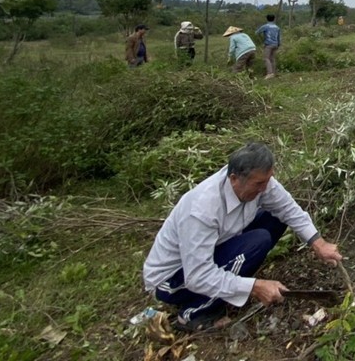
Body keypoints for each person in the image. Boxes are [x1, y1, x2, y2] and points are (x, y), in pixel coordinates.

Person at [142, 142, 342, 332]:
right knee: (258, 241)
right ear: (234, 179)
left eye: (268, 180)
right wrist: (254, 287)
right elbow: (197, 276)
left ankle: (231, 282)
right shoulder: (202, 210)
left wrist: (318, 243)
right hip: (173, 279)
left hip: (211, 252)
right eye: (259, 183)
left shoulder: (261, 183)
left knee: (276, 219)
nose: (265, 188)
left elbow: (288, 209)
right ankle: (193, 313)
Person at [255, 14, 281, 79]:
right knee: (272, 59)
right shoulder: (277, 27)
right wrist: (278, 44)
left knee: (266, 58)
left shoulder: (265, 26)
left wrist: (261, 37)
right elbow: (279, 37)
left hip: (268, 44)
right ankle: (274, 73)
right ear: (274, 19)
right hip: (275, 44)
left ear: (267, 19)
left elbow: (257, 33)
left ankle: (269, 73)